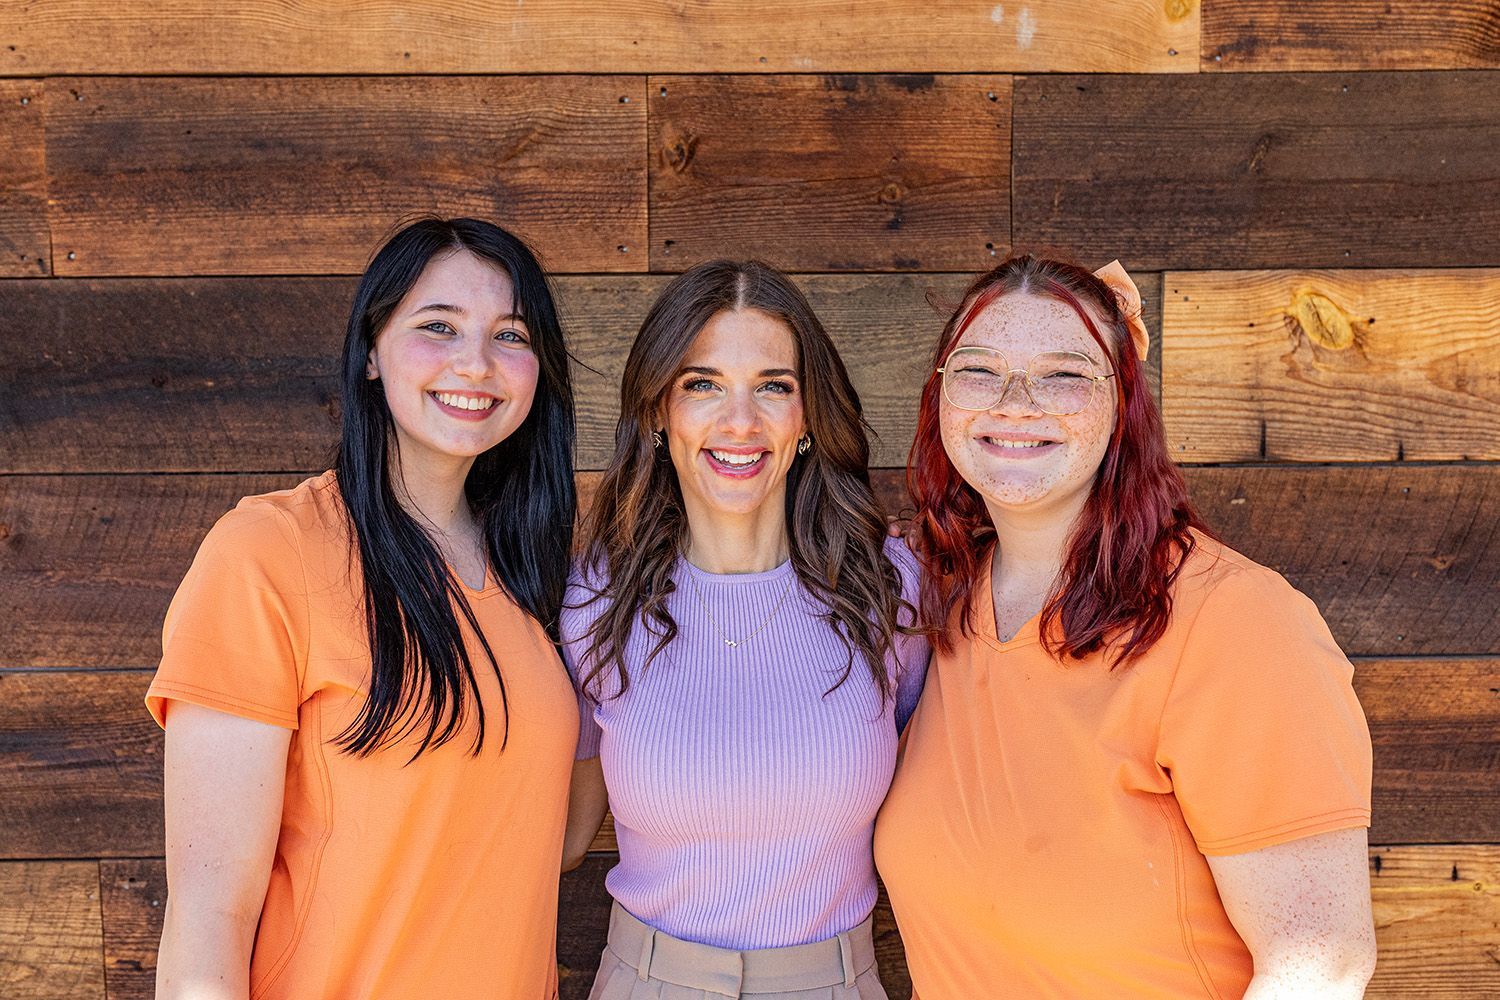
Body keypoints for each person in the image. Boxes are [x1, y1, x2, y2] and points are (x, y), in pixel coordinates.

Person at [874, 254, 1377, 998]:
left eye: (1064, 374)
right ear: (939, 399)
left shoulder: (1235, 624)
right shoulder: (943, 597)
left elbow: (1319, 966)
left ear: (1124, 407)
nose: (1015, 403)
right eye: (978, 371)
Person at [147, 218, 579, 1000]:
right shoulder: (268, 554)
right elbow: (209, 913)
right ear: (372, 352)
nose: (474, 363)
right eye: (437, 326)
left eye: (509, 335)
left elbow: (558, 838)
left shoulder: (533, 577)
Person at [562, 260, 928, 1000]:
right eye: (702, 384)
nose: (740, 422)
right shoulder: (596, 598)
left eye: (773, 386)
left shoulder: (891, 588)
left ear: (806, 419)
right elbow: (564, 838)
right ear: (658, 413)